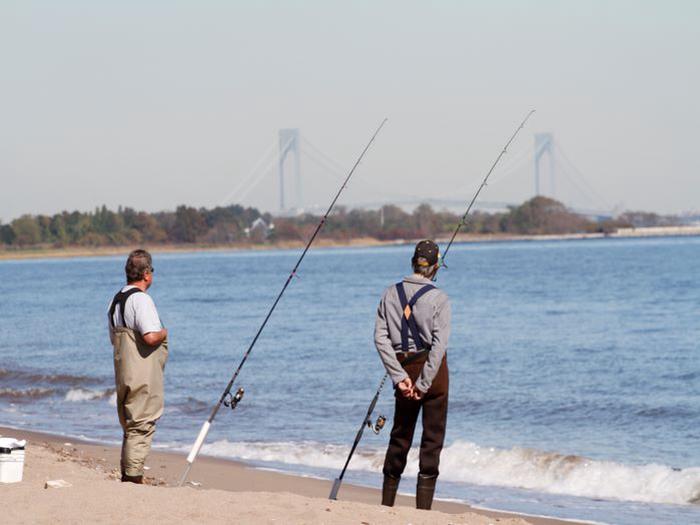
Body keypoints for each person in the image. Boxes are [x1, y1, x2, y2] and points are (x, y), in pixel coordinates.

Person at [374, 239, 451, 510]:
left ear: (413, 262)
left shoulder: (389, 294)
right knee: (432, 437)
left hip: (404, 367)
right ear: (435, 267)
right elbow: (439, 346)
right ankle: (424, 512)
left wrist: (399, 376)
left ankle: (387, 505)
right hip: (433, 372)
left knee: (400, 435)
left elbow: (381, 340)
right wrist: (425, 382)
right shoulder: (439, 298)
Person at [107, 249, 168, 484]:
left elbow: (114, 338)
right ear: (146, 274)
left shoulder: (115, 300)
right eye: (151, 271)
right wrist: (165, 331)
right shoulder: (141, 300)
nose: (151, 275)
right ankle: (132, 479)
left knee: (130, 424)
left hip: (123, 369)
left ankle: (128, 476)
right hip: (141, 370)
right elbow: (151, 337)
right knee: (141, 425)